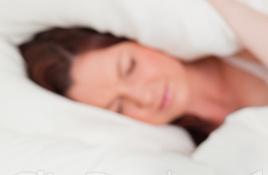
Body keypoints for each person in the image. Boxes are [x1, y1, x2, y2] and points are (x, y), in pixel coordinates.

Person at [19, 0, 268, 147]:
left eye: (129, 68)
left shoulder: (240, 44)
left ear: (139, 39)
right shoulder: (206, 153)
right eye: (118, 107)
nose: (143, 96)